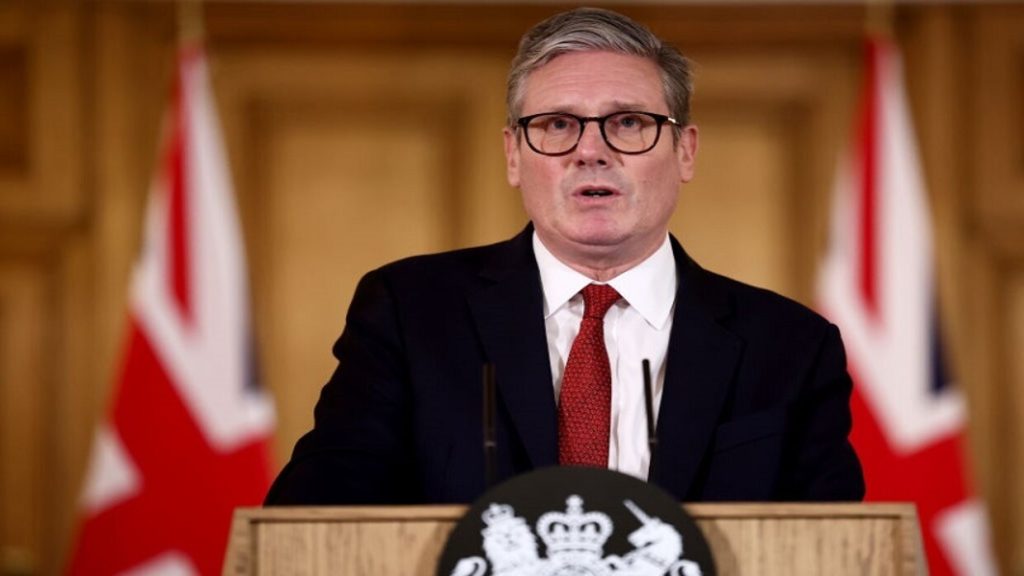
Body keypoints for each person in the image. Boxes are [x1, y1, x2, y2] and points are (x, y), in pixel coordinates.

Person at [265, 7, 864, 506]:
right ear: (513, 154)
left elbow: (835, 550)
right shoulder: (411, 314)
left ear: (685, 151)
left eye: (628, 122)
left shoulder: (790, 346)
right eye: (557, 125)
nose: (591, 151)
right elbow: (313, 521)